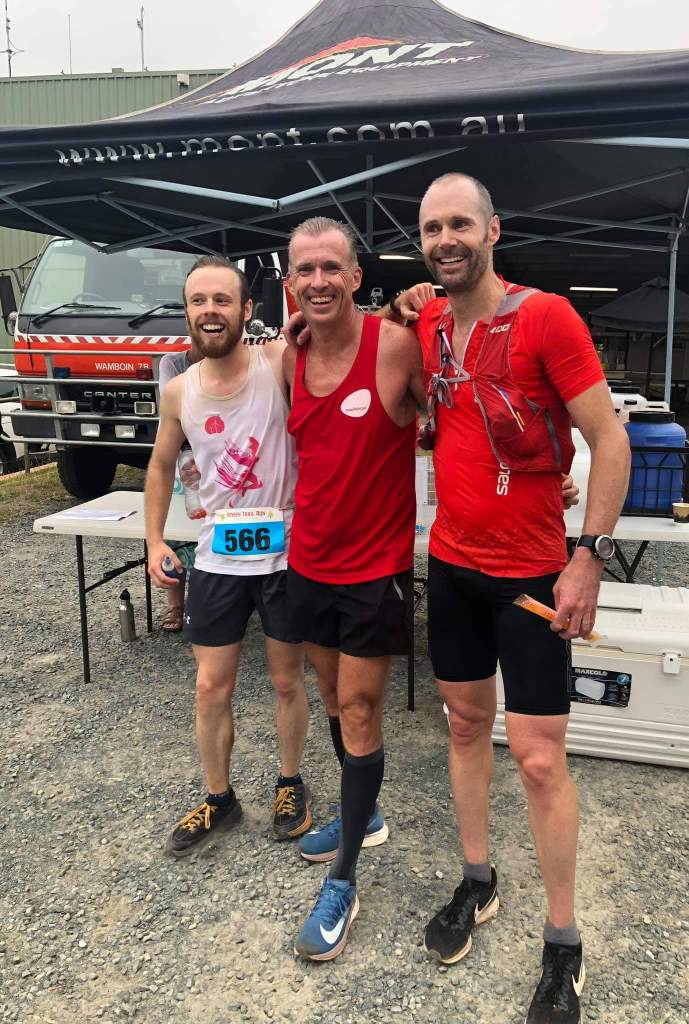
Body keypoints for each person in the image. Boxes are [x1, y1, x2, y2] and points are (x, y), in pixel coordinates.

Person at [380, 174, 630, 1024]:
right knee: (461, 726)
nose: (444, 239)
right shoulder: (427, 325)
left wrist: (588, 557)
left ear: (494, 229)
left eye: (460, 223)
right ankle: (478, 879)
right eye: (430, 229)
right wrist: (390, 309)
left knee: (538, 757)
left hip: (531, 572)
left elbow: (609, 438)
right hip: (452, 566)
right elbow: (404, 386)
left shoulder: (547, 317)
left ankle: (563, 941)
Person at [282, 216, 425, 962]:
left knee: (363, 709)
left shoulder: (396, 346)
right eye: (305, 270)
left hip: (376, 571)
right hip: (309, 564)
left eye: (331, 267)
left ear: (356, 277)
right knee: (334, 700)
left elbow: (454, 417)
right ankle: (361, 813)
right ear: (289, 284)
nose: (319, 281)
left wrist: (543, 469)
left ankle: (343, 879)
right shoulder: (288, 355)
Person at [145, 255, 312, 857]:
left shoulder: (277, 363)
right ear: (187, 312)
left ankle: (290, 783)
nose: (209, 311)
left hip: (285, 557)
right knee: (210, 686)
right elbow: (160, 465)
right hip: (217, 561)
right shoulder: (178, 391)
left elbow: (336, 349)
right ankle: (220, 798)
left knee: (287, 681)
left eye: (222, 300)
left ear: (246, 310)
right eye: (198, 301)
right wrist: (155, 541)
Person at [156, 341, 202, 632]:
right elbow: (175, 403)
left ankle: (199, 601)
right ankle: (174, 603)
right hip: (178, 453)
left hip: (213, 454)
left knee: (203, 527)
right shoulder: (172, 362)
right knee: (173, 530)